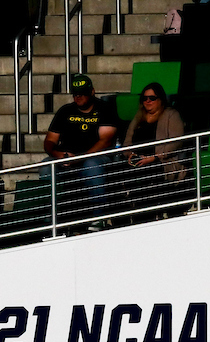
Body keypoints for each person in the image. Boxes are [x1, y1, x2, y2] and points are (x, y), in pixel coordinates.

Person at [42, 73, 117, 228]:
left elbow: (106, 140)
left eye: (82, 93)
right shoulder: (65, 111)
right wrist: (59, 155)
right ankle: (51, 218)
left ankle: (98, 218)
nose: (78, 97)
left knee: (91, 165)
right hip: (67, 157)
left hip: (95, 156)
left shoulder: (105, 109)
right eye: (75, 94)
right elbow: (50, 141)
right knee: (46, 166)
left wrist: (79, 158)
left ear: (92, 92)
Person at [119, 82, 187, 217]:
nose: (148, 101)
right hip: (137, 160)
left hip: (161, 161)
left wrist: (154, 157)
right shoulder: (139, 117)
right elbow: (127, 143)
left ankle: (147, 214)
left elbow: (176, 142)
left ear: (160, 99)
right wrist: (130, 155)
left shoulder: (171, 115)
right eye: (145, 98)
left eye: (152, 98)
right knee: (116, 171)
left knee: (147, 171)